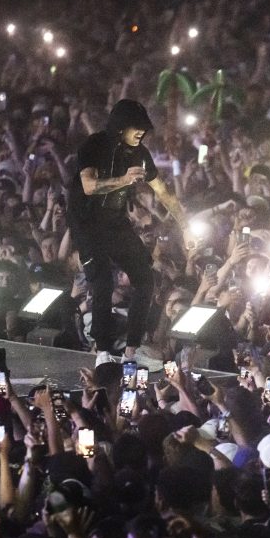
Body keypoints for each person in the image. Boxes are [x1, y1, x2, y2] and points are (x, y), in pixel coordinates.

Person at [67, 99, 183, 359]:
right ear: (120, 127)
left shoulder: (140, 154)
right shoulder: (94, 145)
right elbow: (88, 185)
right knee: (103, 281)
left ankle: (131, 349)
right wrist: (125, 180)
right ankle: (103, 350)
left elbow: (163, 193)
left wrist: (185, 227)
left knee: (145, 278)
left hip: (115, 221)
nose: (142, 133)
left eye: (144, 128)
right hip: (87, 223)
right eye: (136, 128)